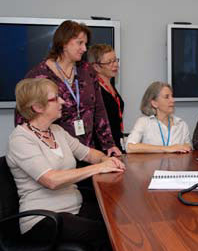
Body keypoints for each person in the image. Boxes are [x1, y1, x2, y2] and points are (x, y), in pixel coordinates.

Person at [7, 78, 125, 251]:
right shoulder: (20, 139)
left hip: (73, 209)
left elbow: (88, 154)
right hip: (43, 219)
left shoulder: (57, 131)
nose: (62, 101)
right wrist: (99, 168)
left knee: (118, 219)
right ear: (37, 107)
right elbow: (51, 180)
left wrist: (105, 159)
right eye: (55, 99)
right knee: (108, 234)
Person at [15, 20, 121, 156]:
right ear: (64, 43)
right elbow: (23, 117)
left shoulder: (87, 71)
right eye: (80, 43)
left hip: (87, 150)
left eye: (85, 44)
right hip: (53, 154)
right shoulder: (38, 75)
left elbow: (99, 109)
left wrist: (109, 143)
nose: (84, 49)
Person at [126, 81, 192, 153]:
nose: (172, 100)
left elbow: (189, 146)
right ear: (154, 103)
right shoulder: (143, 122)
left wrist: (187, 147)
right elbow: (130, 147)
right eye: (167, 97)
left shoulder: (181, 124)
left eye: (172, 96)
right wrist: (167, 148)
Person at [88, 44, 125, 152]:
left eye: (115, 60)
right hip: (102, 147)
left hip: (116, 143)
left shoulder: (110, 84)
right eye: (109, 62)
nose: (115, 65)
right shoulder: (93, 89)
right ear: (96, 67)